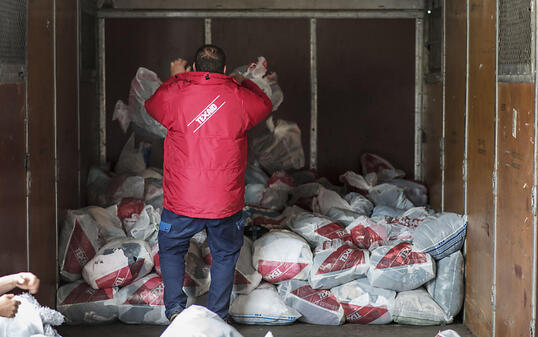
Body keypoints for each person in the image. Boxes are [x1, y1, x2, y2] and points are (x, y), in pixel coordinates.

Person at [145, 45, 272, 322]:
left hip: (182, 198)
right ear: (225, 70)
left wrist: (176, 77)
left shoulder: (176, 93)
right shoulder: (238, 97)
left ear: (193, 67)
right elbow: (264, 105)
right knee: (225, 254)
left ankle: (176, 309)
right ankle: (217, 315)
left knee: (172, 249)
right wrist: (244, 82)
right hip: (224, 201)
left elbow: (151, 104)